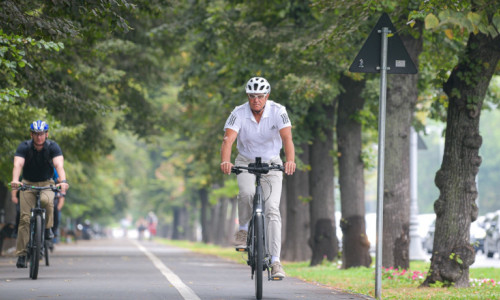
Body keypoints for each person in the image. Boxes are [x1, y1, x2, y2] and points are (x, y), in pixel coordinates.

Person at [220, 76, 296, 279]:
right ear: (248, 96)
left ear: (267, 96)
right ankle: (243, 231)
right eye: (252, 96)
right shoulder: (238, 113)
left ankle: (276, 262)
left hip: (271, 163)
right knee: (246, 193)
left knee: (272, 209)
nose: (256, 100)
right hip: (245, 161)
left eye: (260, 96)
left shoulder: (278, 111)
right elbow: (228, 140)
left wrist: (289, 160)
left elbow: (287, 137)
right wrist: (226, 161)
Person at [10, 120, 69, 268]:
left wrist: (63, 181)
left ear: (46, 134)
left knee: (47, 202)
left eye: (41, 134)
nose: (39, 137)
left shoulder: (53, 147)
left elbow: (59, 165)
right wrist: (16, 180)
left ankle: (47, 228)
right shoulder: (24, 147)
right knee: (24, 219)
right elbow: (18, 164)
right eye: (36, 134)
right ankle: (22, 255)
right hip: (27, 183)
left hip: (46, 183)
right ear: (31, 134)